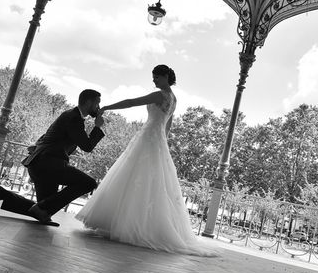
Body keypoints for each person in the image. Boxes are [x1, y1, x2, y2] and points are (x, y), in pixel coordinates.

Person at [76, 65, 217, 257]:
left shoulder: (160, 95)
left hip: (148, 137)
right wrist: (163, 145)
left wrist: (108, 107)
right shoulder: (174, 99)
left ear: (166, 76)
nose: (154, 81)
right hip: (156, 140)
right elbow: (168, 126)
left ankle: (128, 225)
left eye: (156, 77)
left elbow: (132, 102)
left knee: (133, 175)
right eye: (153, 78)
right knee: (151, 181)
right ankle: (136, 224)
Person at [0, 89, 105, 226]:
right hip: (49, 165)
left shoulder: (69, 115)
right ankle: (39, 209)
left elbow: (48, 137)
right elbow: (87, 146)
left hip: (40, 164)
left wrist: (37, 146)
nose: (98, 108)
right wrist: (98, 128)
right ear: (88, 102)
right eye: (97, 104)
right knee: (89, 183)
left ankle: (0, 193)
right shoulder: (75, 118)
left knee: (43, 208)